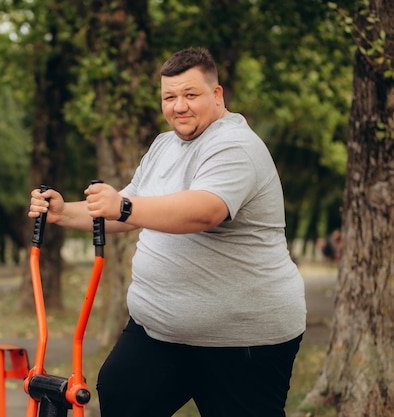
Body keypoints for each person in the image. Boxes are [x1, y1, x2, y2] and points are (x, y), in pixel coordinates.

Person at [28, 47, 306, 417]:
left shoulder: (235, 146)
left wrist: (125, 207)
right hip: (159, 331)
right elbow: (125, 206)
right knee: (121, 391)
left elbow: (204, 210)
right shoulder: (164, 145)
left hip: (242, 340)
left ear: (217, 94)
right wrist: (64, 213)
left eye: (190, 95)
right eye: (169, 97)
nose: (179, 106)